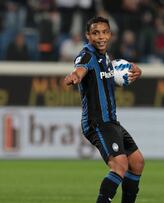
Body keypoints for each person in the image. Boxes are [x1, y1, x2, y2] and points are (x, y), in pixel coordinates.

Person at [64, 16, 144, 203]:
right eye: (95, 33)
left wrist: (134, 72)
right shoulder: (87, 55)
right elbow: (80, 69)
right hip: (97, 122)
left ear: (110, 34)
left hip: (111, 121)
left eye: (104, 32)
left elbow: (105, 80)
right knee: (120, 165)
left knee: (137, 162)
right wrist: (74, 76)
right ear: (88, 36)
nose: (101, 37)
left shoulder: (106, 58)